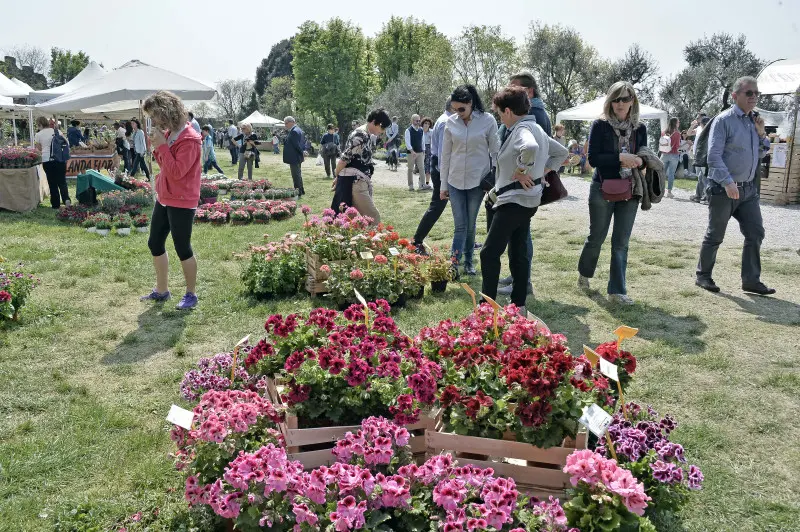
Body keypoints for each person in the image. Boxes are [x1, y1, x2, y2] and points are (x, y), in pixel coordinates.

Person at [481, 87, 568, 311]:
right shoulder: (536, 127)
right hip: (527, 201)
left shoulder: (522, 129)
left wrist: (523, 170)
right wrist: (542, 172)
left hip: (514, 201)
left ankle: (486, 307)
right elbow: (562, 153)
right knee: (518, 251)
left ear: (508, 111)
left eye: (499, 113)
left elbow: (530, 147)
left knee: (489, 252)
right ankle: (518, 304)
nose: (499, 117)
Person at [695, 76, 775, 295]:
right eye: (749, 93)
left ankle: (751, 280)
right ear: (735, 95)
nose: (754, 97)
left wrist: (761, 134)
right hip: (724, 189)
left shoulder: (753, 121)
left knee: (755, 232)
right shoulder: (723, 120)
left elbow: (761, 153)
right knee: (715, 235)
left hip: (748, 190)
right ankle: (703, 276)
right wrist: (729, 182)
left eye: (756, 93)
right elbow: (713, 157)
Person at [577, 81, 648, 305]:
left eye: (625, 98)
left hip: (630, 189)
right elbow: (594, 159)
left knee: (621, 242)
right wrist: (620, 157)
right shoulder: (600, 125)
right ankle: (584, 275)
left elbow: (644, 156)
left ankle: (617, 291)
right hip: (602, 187)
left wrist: (640, 160)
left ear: (632, 101)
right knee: (596, 237)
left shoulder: (640, 128)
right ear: (610, 101)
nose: (620, 103)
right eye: (616, 98)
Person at [141, 90, 202, 310]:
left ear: (166, 112)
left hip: (182, 199)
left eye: (154, 117)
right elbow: (165, 165)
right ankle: (162, 290)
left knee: (182, 247)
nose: (153, 122)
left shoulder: (191, 140)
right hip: (165, 196)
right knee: (154, 242)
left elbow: (177, 172)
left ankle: (191, 294)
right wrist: (159, 147)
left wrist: (162, 147)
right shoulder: (169, 135)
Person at [495, 72, 551, 295]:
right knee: (519, 235)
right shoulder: (533, 113)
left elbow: (534, 148)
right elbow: (555, 152)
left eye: (514, 87)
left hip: (520, 190)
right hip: (522, 188)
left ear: (528, 92)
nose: (510, 90)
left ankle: (522, 280)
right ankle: (518, 277)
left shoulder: (531, 114)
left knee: (519, 238)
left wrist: (523, 171)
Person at [440, 85, 501, 276]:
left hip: (477, 181)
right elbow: (445, 156)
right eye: (454, 108)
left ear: (471, 103)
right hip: (454, 180)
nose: (457, 113)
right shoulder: (451, 123)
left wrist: (497, 179)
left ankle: (468, 262)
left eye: (461, 109)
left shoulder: (487, 121)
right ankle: (454, 263)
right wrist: (443, 185)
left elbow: (495, 151)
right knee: (460, 225)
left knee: (471, 223)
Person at [331, 109, 392, 223]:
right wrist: (337, 176)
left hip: (355, 181)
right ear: (374, 122)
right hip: (355, 183)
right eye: (382, 127)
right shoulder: (360, 135)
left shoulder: (366, 134)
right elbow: (344, 159)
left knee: (348, 221)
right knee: (373, 218)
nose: (383, 131)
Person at [412, 99, 453, 253]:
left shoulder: (445, 120)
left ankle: (466, 241)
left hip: (442, 168)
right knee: (437, 206)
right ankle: (417, 241)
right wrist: (445, 179)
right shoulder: (446, 122)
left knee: (458, 206)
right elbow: (443, 153)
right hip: (442, 169)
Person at [34, 115, 71, 209]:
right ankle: (66, 200)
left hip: (47, 160)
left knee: (52, 183)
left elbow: (39, 149)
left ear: (39, 124)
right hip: (59, 159)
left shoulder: (38, 135)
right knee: (62, 181)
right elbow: (66, 143)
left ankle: (55, 204)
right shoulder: (57, 131)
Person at [689, 116, 711, 203]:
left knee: (704, 177)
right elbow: (689, 133)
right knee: (701, 176)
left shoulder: (709, 132)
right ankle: (699, 195)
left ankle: (707, 197)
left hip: (705, 157)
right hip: (700, 156)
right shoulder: (700, 129)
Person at [283, 116, 306, 196]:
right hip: (297, 156)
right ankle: (301, 190)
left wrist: (302, 152)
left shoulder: (294, 131)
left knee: (295, 175)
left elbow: (297, 145)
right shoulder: (298, 130)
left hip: (294, 157)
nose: (285, 125)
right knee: (298, 174)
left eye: (286, 123)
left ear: (291, 122)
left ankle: (298, 192)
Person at [405, 114, 428, 191]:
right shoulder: (408, 130)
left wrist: (424, 151)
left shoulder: (421, 130)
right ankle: (411, 185)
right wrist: (412, 151)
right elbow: (407, 143)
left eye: (419, 120)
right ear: (412, 120)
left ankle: (422, 184)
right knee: (410, 169)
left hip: (420, 152)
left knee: (422, 168)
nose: (418, 122)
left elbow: (423, 141)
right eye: (416, 120)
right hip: (411, 153)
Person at [660, 117, 681, 198]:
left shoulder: (664, 132)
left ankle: (661, 191)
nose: (679, 124)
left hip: (664, 154)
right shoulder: (677, 134)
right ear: (675, 123)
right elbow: (677, 146)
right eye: (678, 122)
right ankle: (669, 192)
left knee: (662, 174)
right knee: (671, 174)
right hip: (674, 155)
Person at [422, 117, 433, 188]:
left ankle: (427, 182)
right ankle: (421, 182)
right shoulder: (420, 131)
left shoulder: (431, 132)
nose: (426, 125)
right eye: (425, 123)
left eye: (428, 124)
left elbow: (433, 142)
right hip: (421, 149)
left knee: (428, 166)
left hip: (429, 149)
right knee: (421, 166)